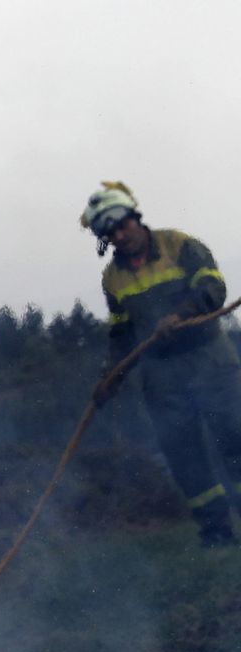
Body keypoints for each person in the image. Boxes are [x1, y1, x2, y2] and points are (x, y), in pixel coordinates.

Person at [83, 181, 241, 547]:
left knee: (236, 442)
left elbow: (213, 288)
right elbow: (121, 333)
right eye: (111, 232)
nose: (120, 235)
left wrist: (180, 314)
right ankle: (217, 536)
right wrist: (111, 376)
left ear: (136, 218)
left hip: (210, 364)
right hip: (161, 381)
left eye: (123, 225)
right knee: (186, 459)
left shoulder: (181, 245)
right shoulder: (113, 278)